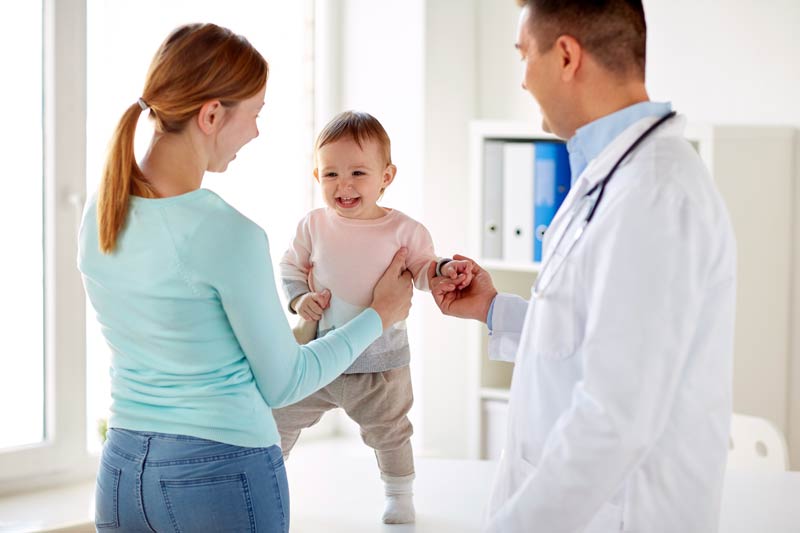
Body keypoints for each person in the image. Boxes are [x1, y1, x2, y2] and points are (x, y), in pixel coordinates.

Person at [78, 24, 413, 533]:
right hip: (218, 473)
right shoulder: (225, 233)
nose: (256, 131)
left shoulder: (100, 210)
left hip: (122, 471)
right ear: (212, 114)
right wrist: (379, 315)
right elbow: (286, 384)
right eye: (254, 113)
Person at [430, 1, 737, 532]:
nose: (523, 80)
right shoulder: (611, 174)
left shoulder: (656, 193)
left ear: (567, 55)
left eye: (524, 55)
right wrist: (494, 309)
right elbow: (593, 337)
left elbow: (615, 417)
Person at [274, 110, 474, 525]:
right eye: (330, 175)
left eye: (358, 173)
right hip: (319, 355)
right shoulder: (313, 225)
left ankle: (399, 494)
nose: (343, 185)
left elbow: (421, 269)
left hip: (380, 362)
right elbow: (291, 268)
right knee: (279, 416)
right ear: (316, 177)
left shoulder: (404, 230)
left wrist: (441, 270)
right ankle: (267, 481)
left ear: (386, 176)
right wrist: (300, 300)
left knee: (391, 430)